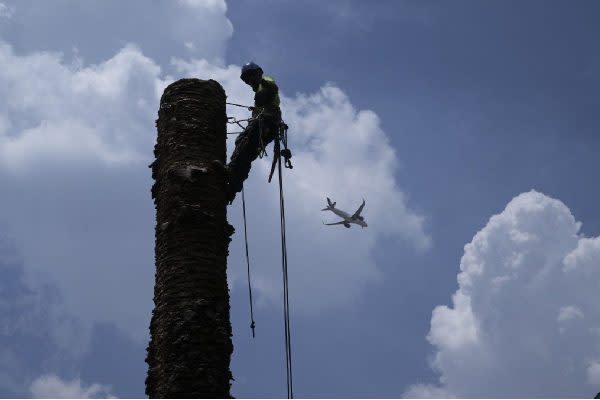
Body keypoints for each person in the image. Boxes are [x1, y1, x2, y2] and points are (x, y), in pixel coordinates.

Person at [215, 62, 282, 202]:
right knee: (245, 151)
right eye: (247, 80)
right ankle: (231, 189)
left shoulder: (266, 82)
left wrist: (260, 80)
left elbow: (274, 87)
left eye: (251, 77)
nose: (249, 82)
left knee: (244, 144)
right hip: (266, 125)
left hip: (267, 123)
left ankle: (231, 172)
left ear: (258, 73)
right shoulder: (259, 93)